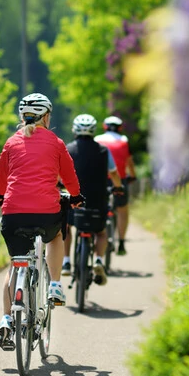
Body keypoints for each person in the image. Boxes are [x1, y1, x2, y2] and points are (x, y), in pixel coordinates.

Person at [0, 93, 84, 350]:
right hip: (46, 212)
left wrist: (1, 196)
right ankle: (55, 285)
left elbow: (3, 176)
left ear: (22, 117)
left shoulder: (11, 143)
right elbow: (69, 175)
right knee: (56, 235)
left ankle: (6, 319)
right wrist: (76, 197)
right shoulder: (56, 142)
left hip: (13, 215)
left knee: (15, 264)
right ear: (46, 116)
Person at [61, 114, 125, 282]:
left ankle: (66, 262)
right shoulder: (104, 150)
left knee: (66, 227)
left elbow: (60, 173)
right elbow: (113, 173)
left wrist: (58, 186)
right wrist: (118, 187)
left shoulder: (69, 149)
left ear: (75, 130)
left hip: (74, 200)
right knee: (101, 232)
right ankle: (99, 260)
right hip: (98, 200)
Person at [94, 115, 137, 255]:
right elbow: (129, 161)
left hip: (100, 179)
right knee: (122, 210)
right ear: (120, 128)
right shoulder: (124, 141)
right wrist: (133, 175)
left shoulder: (97, 139)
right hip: (119, 179)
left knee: (98, 207)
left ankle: (96, 237)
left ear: (105, 127)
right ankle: (122, 242)